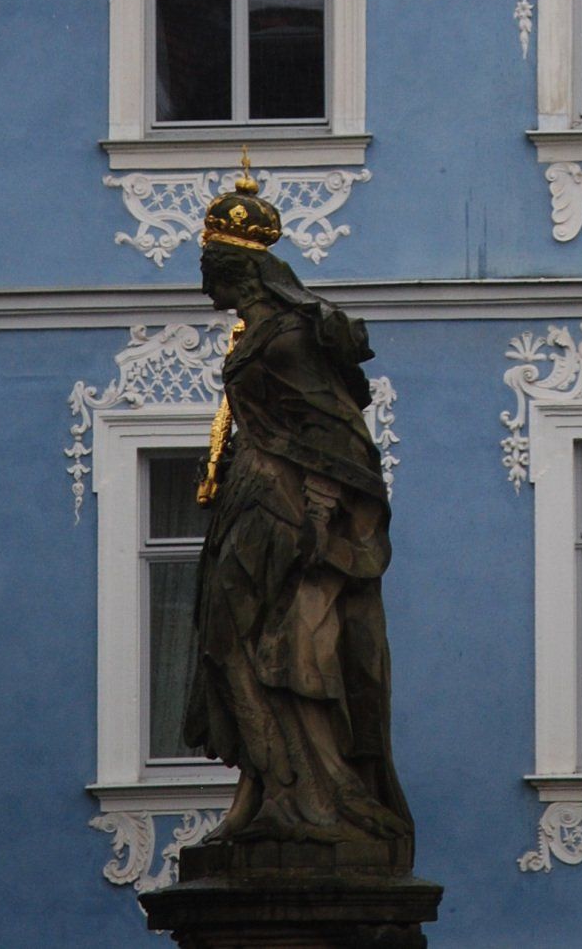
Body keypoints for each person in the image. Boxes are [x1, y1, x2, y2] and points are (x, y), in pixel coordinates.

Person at [184, 161, 413, 866]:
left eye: (208, 264)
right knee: (229, 642)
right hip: (248, 497)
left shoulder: (286, 337)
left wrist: (321, 508)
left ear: (236, 270)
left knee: (258, 643)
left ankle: (306, 794)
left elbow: (337, 432)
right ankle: (262, 792)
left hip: (280, 504)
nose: (202, 279)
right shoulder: (257, 334)